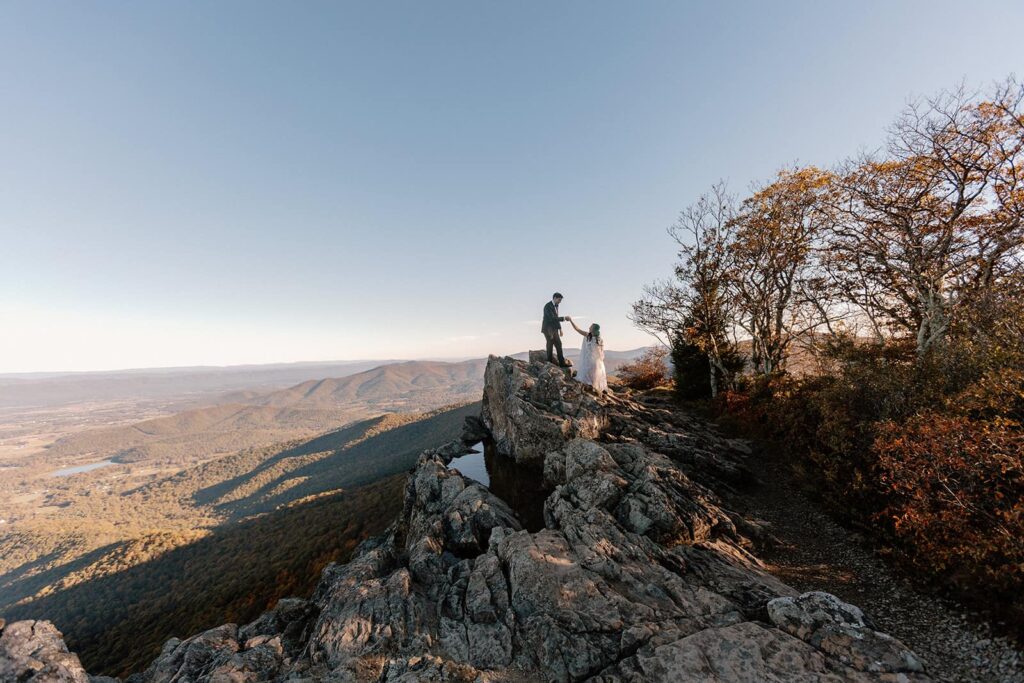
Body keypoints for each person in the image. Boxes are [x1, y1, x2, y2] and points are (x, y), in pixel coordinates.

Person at [567, 317, 608, 393]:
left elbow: (577, 329)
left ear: (593, 329)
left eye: (591, 326)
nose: (589, 327)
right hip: (596, 362)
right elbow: (601, 353)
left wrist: (571, 321)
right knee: (594, 379)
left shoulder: (588, 335)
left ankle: (590, 391)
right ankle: (595, 391)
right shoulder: (599, 339)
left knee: (587, 379)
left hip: (588, 361)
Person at [541, 292, 570, 367]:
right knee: (550, 344)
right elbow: (552, 318)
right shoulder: (548, 306)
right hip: (547, 329)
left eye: (560, 300)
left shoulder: (556, 306)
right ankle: (550, 362)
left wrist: (560, 329)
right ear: (554, 298)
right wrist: (564, 318)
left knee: (558, 344)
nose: (560, 302)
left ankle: (561, 363)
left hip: (554, 329)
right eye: (559, 300)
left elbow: (556, 318)